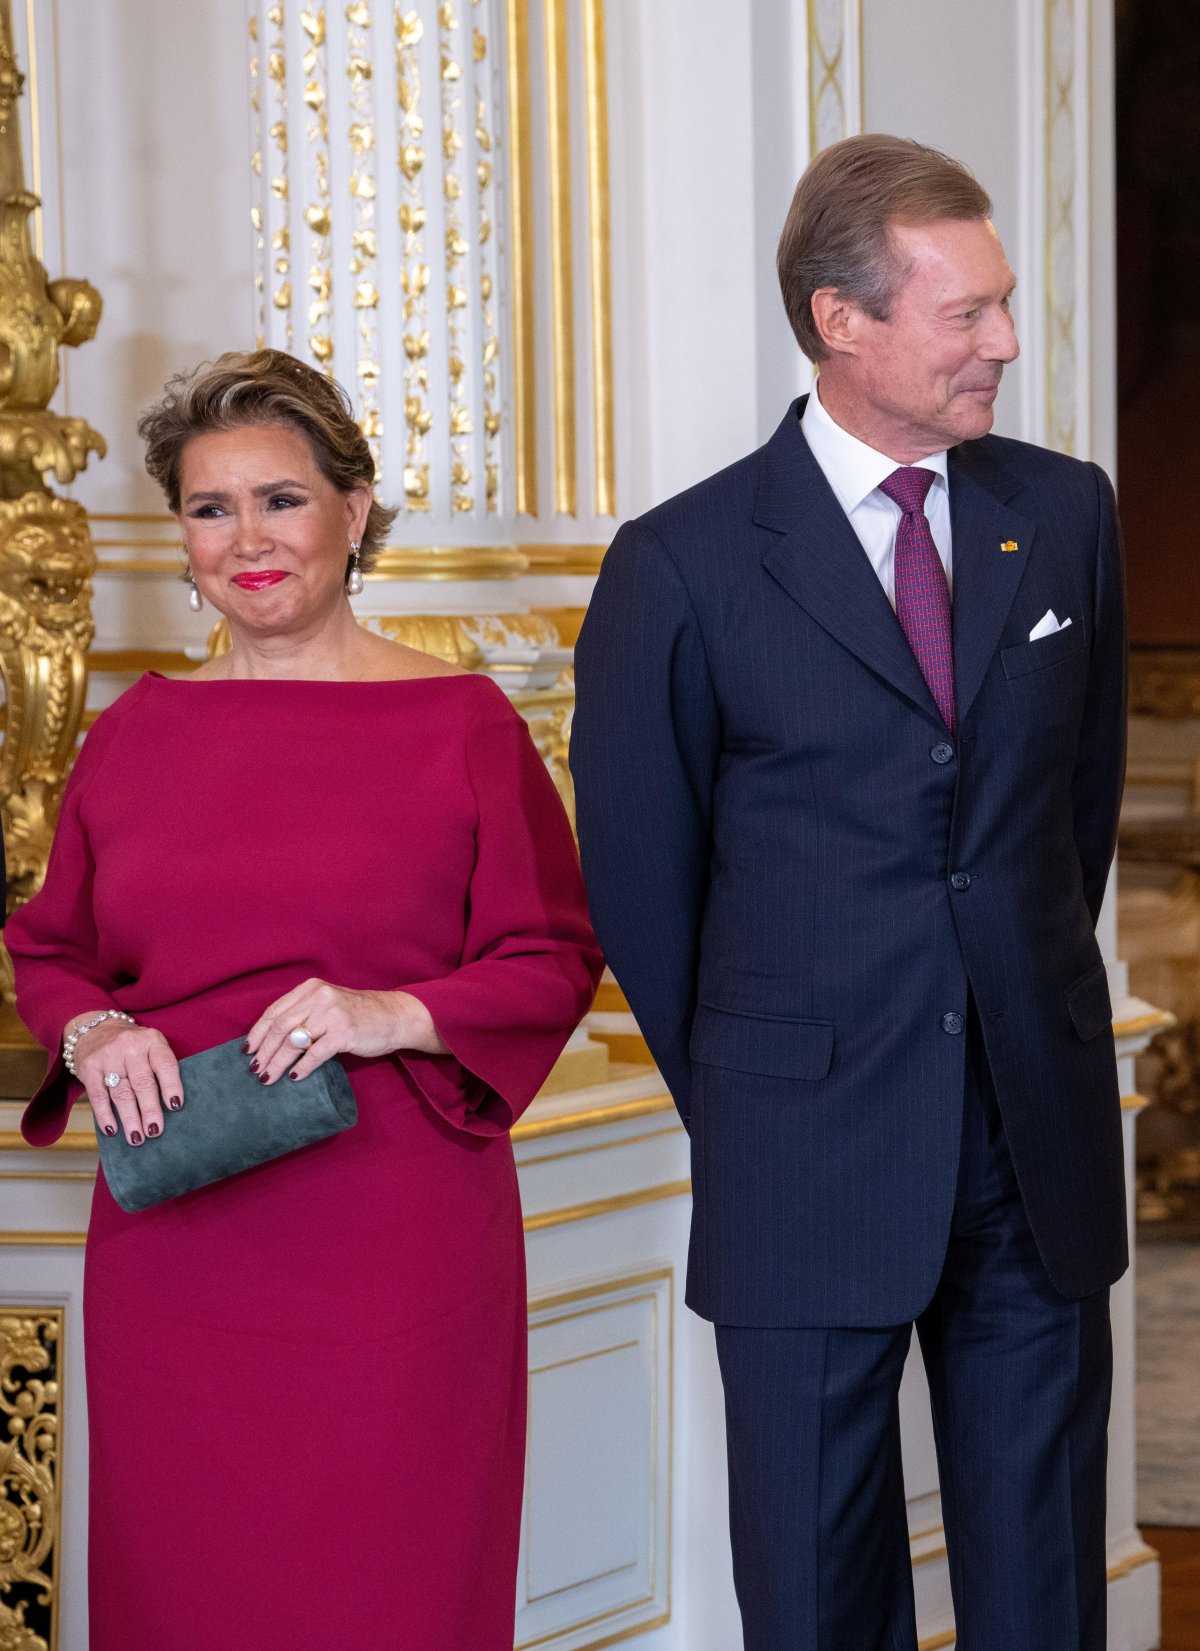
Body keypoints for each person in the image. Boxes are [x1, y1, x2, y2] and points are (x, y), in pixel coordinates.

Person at [570, 134, 1126, 1650]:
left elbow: (1068, 819)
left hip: (1033, 1143)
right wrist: (765, 1092)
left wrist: (1006, 1007)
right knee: (818, 1597)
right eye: (970, 314)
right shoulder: (679, 567)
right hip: (804, 1150)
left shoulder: (1064, 511)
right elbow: (642, 881)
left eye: (1003, 305)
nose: (1007, 341)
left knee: (1044, 1589)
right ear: (843, 320)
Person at [8, 348, 603, 1651]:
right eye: (210, 508)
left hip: (390, 1236)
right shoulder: (135, 735)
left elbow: (552, 953)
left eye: (280, 499)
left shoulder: (462, 726)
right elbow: (50, 949)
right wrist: (96, 1026)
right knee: (191, 1590)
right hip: (179, 1247)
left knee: (383, 1588)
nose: (247, 540)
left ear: (357, 508)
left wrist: (395, 1012)